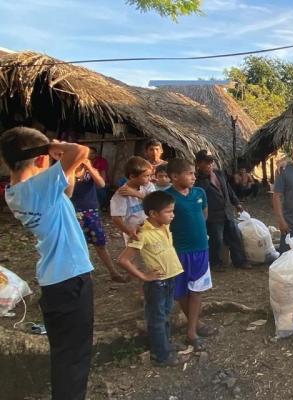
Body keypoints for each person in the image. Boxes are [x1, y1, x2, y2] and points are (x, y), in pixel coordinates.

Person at [1, 127, 94, 400]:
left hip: (57, 280)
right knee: (74, 359)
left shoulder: (18, 191)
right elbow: (80, 151)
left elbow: (65, 191)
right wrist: (55, 146)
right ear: (42, 158)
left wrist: (53, 159)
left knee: (67, 354)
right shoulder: (36, 189)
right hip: (70, 279)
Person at [116, 191, 186, 367]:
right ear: (154, 213)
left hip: (170, 278)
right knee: (157, 318)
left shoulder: (163, 226)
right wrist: (144, 276)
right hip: (156, 284)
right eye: (169, 211)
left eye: (173, 210)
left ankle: (165, 346)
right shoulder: (143, 234)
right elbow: (123, 260)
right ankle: (160, 355)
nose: (173, 215)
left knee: (166, 314)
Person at [165, 159, 216, 349]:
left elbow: (204, 216)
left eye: (194, 173)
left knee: (197, 290)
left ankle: (192, 330)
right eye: (189, 173)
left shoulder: (199, 193)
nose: (194, 177)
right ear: (175, 177)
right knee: (180, 292)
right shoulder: (168, 198)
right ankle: (194, 324)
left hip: (201, 249)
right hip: (179, 251)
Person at [72, 158, 128, 282]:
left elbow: (101, 184)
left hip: (91, 212)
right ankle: (86, 276)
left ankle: (113, 272)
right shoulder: (67, 173)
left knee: (100, 244)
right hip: (73, 213)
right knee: (80, 246)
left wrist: (89, 168)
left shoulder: (89, 173)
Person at [194, 150, 249, 271]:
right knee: (216, 240)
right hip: (213, 216)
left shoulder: (219, 174)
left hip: (227, 211)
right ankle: (215, 263)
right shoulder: (197, 181)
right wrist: (204, 178)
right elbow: (198, 198)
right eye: (206, 162)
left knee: (235, 236)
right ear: (198, 164)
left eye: (211, 162)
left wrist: (236, 203)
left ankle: (240, 261)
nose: (209, 165)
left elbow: (228, 190)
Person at [111, 156, 155, 244]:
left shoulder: (148, 186)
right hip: (134, 232)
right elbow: (116, 218)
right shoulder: (121, 194)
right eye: (146, 176)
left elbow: (156, 202)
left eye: (150, 175)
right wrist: (129, 232)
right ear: (132, 176)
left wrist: (136, 194)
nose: (150, 178)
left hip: (152, 229)